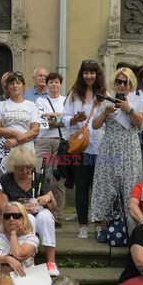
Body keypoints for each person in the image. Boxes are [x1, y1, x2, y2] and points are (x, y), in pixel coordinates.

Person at [90, 67, 143, 242]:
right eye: (118, 82)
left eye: (125, 82)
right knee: (105, 186)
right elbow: (95, 126)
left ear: (131, 85)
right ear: (114, 84)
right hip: (109, 148)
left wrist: (128, 109)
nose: (122, 85)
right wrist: (105, 112)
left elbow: (140, 122)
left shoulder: (137, 102)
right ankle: (103, 228)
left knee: (130, 186)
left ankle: (131, 229)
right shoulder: (106, 102)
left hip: (130, 148)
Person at [61, 59, 108, 239]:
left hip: (100, 146)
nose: (89, 76)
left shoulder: (104, 94)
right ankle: (82, 225)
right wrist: (75, 119)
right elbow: (64, 118)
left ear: (97, 75)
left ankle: (97, 223)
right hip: (79, 148)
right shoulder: (74, 94)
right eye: (86, 73)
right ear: (82, 75)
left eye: (92, 73)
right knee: (81, 187)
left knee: (98, 188)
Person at [0, 147, 59, 276]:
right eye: (21, 168)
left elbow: (54, 205)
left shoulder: (38, 178)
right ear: (13, 167)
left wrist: (47, 198)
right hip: (18, 215)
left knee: (46, 218)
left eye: (28, 167)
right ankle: (28, 261)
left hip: (40, 211)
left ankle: (51, 262)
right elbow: (3, 206)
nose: (25, 171)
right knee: (29, 220)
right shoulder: (5, 180)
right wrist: (18, 207)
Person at [35, 72, 68, 227]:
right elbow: (42, 121)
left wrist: (54, 116)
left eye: (57, 82)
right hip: (43, 140)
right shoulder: (39, 100)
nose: (54, 85)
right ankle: (40, 210)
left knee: (58, 180)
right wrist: (59, 118)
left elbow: (69, 120)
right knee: (39, 176)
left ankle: (57, 216)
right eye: (51, 82)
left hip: (61, 142)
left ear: (60, 84)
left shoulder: (66, 101)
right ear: (46, 85)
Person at [0, 201, 38, 280]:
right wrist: (7, 259)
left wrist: (13, 234)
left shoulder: (31, 237)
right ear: (3, 219)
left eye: (16, 216)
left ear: (24, 217)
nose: (11, 219)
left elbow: (17, 255)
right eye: (7, 216)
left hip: (22, 282)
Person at [0, 72, 40, 151]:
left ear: (23, 86)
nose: (15, 86)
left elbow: (35, 130)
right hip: (5, 148)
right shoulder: (0, 105)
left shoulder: (31, 105)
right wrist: (15, 133)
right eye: (11, 83)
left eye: (18, 83)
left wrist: (16, 140)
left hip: (26, 148)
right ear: (7, 87)